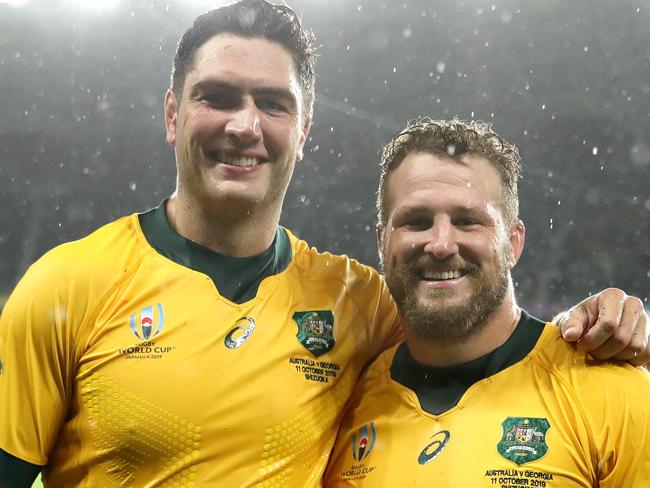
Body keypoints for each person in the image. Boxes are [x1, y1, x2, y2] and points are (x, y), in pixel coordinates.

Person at [0, 2, 647, 487]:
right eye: (217, 97)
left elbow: (480, 327)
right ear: (173, 114)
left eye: (273, 104)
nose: (244, 124)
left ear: (304, 129)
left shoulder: (356, 304)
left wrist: (597, 321)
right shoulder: (67, 285)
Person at [325, 119, 650, 486]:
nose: (441, 244)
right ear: (382, 242)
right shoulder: (343, 401)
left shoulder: (614, 394)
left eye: (467, 221)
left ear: (513, 243)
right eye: (416, 221)